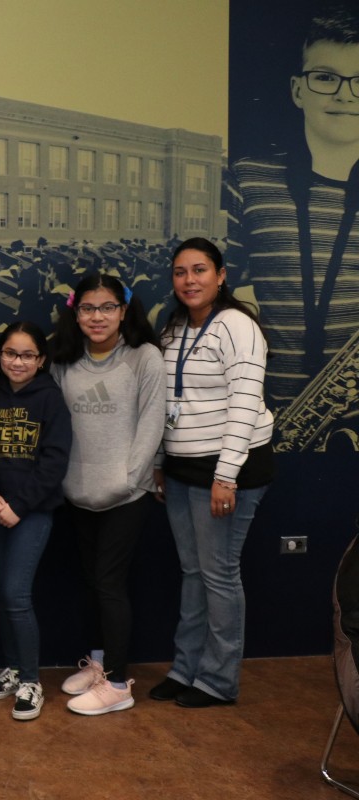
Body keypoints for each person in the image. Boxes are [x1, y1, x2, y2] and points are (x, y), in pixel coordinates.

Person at [150, 238, 274, 707]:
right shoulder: (175, 327)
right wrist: (162, 463)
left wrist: (226, 476)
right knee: (192, 572)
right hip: (182, 469)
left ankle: (218, 680)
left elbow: (244, 403)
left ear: (221, 276)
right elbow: (167, 403)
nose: (189, 280)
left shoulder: (237, 327)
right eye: (180, 272)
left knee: (218, 573)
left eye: (199, 270)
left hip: (226, 470)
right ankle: (186, 669)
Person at [228, 3, 359, 448]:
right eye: (326, 77)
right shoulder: (246, 178)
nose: (345, 95)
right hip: (263, 428)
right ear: (297, 90)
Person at [51, 272, 166, 715]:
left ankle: (118, 684)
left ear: (124, 310)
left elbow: (152, 424)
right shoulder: (63, 359)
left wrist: (129, 477)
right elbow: (60, 429)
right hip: (76, 492)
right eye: (88, 308)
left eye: (107, 308)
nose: (97, 317)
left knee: (110, 583)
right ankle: (98, 665)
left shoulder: (144, 357)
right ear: (74, 311)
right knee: (90, 584)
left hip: (125, 493)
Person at [0, 321, 72, 721]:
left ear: (41, 360)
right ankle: (14, 669)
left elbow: (54, 463)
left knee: (17, 595)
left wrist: (18, 505)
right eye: (11, 354)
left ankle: (31, 680)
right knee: (2, 593)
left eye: (27, 355)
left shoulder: (51, 399)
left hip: (31, 513)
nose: (18, 361)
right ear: (0, 357)